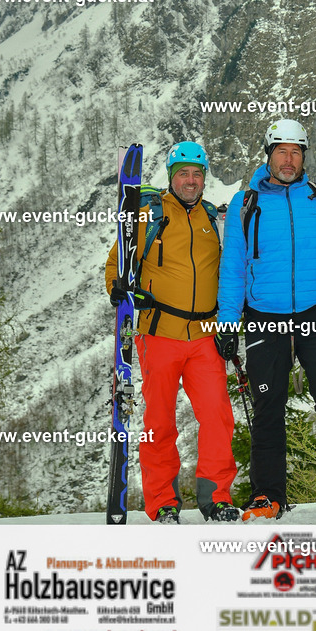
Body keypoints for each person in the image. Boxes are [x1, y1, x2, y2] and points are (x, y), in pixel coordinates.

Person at [216, 118, 316, 520]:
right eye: (281, 151)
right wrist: (228, 321)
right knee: (268, 405)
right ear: (268, 155)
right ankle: (269, 495)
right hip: (264, 316)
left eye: (296, 152)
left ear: (305, 156)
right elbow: (232, 265)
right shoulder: (245, 203)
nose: (289, 159)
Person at [105, 141, 238, 524]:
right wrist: (118, 288)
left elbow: (230, 272)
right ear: (171, 176)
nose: (191, 181)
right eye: (183, 173)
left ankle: (216, 497)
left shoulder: (213, 219)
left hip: (205, 335)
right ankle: (163, 501)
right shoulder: (149, 214)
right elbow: (116, 263)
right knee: (159, 422)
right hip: (158, 333)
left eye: (197, 174)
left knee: (217, 416)